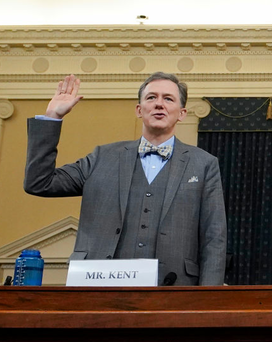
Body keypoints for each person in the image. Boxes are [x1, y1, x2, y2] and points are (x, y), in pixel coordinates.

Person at [24, 72, 227, 286]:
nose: (159, 104)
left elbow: (214, 237)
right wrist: (52, 118)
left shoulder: (204, 164)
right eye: (151, 98)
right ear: (139, 110)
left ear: (182, 113)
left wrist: (208, 297)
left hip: (173, 291)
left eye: (168, 98)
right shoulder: (102, 157)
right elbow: (39, 183)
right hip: (99, 288)